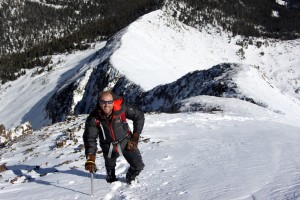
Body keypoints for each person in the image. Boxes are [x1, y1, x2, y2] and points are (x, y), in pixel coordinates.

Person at [83, 91, 145, 184]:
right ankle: (110, 181)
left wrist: (135, 138)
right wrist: (91, 158)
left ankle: (130, 178)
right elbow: (90, 138)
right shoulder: (94, 118)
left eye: (109, 102)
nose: (106, 105)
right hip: (108, 147)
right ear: (99, 102)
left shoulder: (122, 109)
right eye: (103, 102)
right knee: (110, 171)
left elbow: (139, 116)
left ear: (113, 101)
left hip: (126, 142)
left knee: (138, 166)